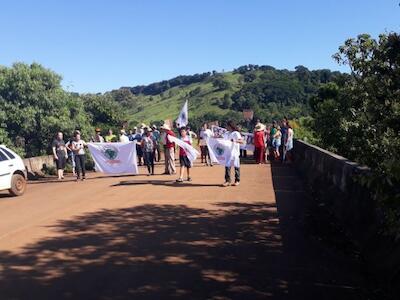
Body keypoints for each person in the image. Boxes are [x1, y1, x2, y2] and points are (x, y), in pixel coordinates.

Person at [223, 121, 244, 187]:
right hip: (228, 152)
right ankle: (227, 181)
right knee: (227, 166)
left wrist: (234, 141)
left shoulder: (236, 133)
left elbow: (241, 141)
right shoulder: (226, 133)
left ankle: (237, 180)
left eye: (227, 126)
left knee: (236, 166)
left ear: (230, 126)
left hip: (234, 152)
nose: (226, 127)